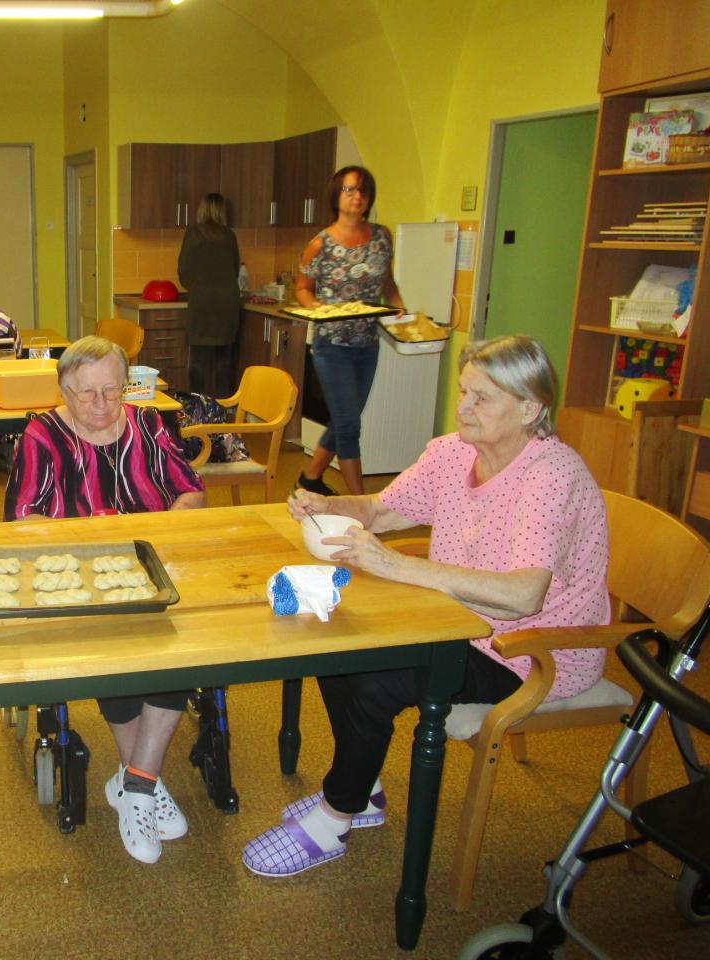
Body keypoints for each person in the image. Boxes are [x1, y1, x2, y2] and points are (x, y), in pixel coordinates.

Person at [242, 335, 610, 879]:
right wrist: (329, 503)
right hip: (458, 619)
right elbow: (382, 509)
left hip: (528, 651)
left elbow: (523, 597)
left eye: (483, 397)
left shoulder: (550, 476)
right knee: (334, 643)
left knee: (376, 679)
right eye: (464, 391)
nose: (464, 407)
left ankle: (335, 817)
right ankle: (363, 790)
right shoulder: (453, 451)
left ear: (530, 408)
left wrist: (396, 566)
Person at [4, 336, 205, 865]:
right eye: (86, 393)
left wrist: (165, 530)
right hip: (78, 582)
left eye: (112, 391)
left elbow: (191, 490)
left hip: (153, 571)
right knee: (116, 649)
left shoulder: (149, 424)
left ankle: (135, 784)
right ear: (63, 391)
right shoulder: (42, 436)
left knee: (183, 644)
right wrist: (86, 547)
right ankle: (144, 783)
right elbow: (22, 519)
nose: (101, 404)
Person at [294, 166, 404, 498]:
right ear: (336, 196)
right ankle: (361, 501)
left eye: (363, 191)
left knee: (346, 418)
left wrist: (400, 309)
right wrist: (317, 307)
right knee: (349, 425)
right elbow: (302, 288)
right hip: (332, 344)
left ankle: (310, 478)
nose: (357, 196)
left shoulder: (382, 237)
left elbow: (386, 282)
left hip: (367, 344)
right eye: (349, 190)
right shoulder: (321, 244)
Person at [178, 192, 241, 399]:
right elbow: (235, 270)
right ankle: (222, 409)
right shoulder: (229, 236)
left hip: (203, 302)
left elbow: (184, 272)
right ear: (222, 211)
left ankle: (198, 407)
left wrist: (198, 286)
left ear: (201, 210)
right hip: (228, 303)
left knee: (199, 362)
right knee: (224, 363)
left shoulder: (193, 234)